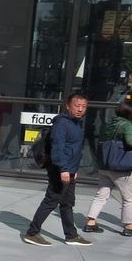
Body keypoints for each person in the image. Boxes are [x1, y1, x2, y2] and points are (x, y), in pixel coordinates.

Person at [24, 93, 91, 247]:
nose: (80, 109)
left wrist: (73, 169)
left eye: (83, 106)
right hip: (60, 170)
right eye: (76, 106)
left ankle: (71, 236)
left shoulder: (75, 123)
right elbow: (58, 148)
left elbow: (72, 149)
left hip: (70, 170)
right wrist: (64, 169)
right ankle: (32, 233)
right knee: (51, 201)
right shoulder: (62, 124)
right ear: (68, 106)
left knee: (67, 203)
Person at [83, 99, 132, 238]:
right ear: (131, 114)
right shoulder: (127, 125)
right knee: (128, 198)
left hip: (105, 166)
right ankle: (129, 227)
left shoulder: (109, 124)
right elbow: (131, 142)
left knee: (101, 195)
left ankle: (90, 222)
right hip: (120, 168)